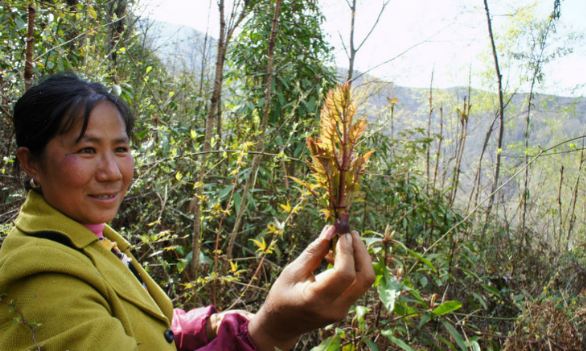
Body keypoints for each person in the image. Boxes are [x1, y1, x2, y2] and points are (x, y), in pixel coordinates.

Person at [0, 73, 375, 351]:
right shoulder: (40, 277)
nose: (112, 172)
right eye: (86, 150)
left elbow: (146, 324)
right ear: (31, 162)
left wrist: (214, 326)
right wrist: (272, 329)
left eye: (120, 149)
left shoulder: (84, 232)